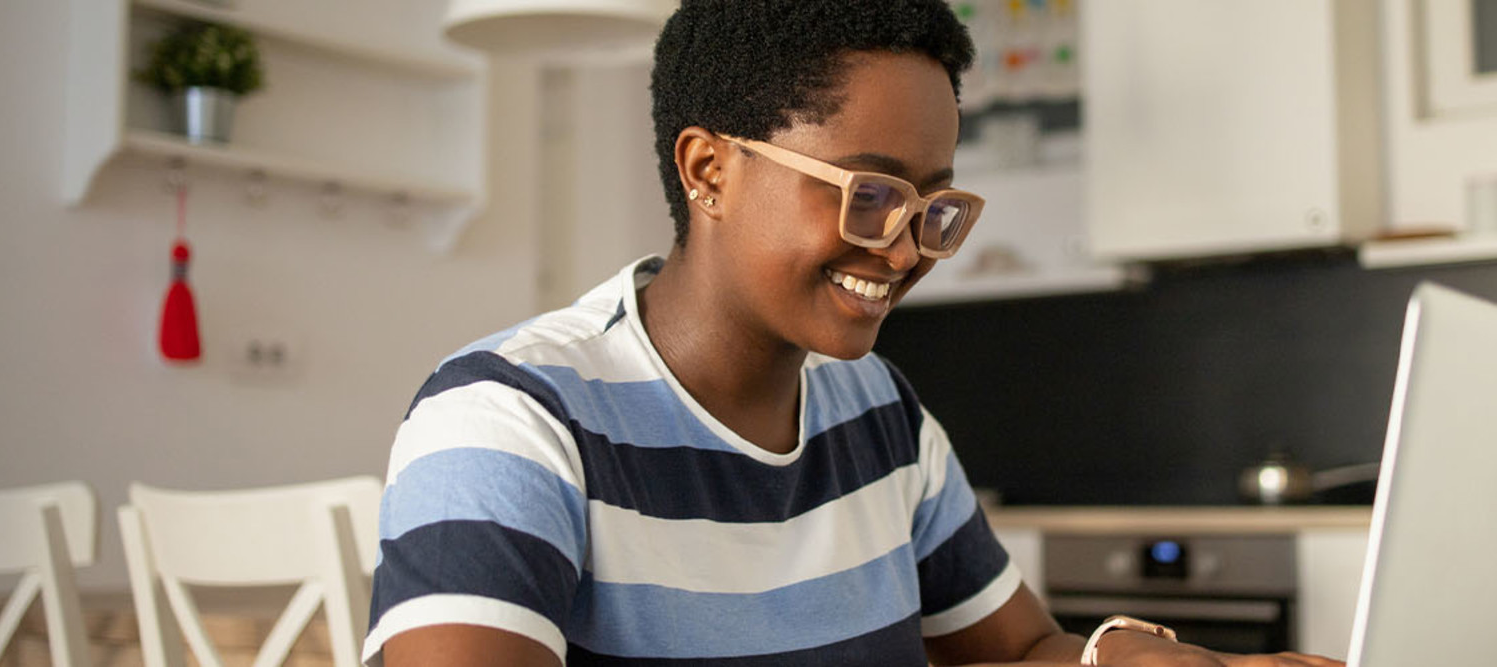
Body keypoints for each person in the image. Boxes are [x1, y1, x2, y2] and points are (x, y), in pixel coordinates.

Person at [364, 2, 1344, 665]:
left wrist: (1111, 658)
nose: (908, 248)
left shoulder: (880, 414)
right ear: (709, 170)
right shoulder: (509, 419)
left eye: (934, 206)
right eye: (869, 193)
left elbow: (1011, 651)